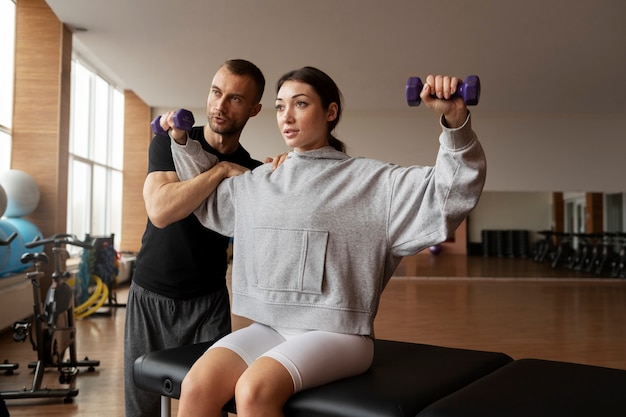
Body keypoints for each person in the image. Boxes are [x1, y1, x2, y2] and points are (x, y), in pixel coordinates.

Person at [169, 67, 487, 417]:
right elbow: (207, 200)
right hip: (271, 325)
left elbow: (448, 193)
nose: (286, 116)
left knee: (253, 390)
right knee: (196, 386)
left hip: (340, 334)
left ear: (330, 112)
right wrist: (184, 144)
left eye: (300, 104)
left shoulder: (371, 181)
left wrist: (455, 122)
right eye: (279, 106)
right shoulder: (263, 180)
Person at [123, 59, 269, 417]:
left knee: (209, 406)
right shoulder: (171, 143)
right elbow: (161, 210)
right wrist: (219, 171)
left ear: (254, 109)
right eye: (216, 92)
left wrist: (277, 173)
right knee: (141, 410)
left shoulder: (252, 173)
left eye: (235, 98)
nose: (220, 105)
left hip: (208, 303)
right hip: (150, 296)